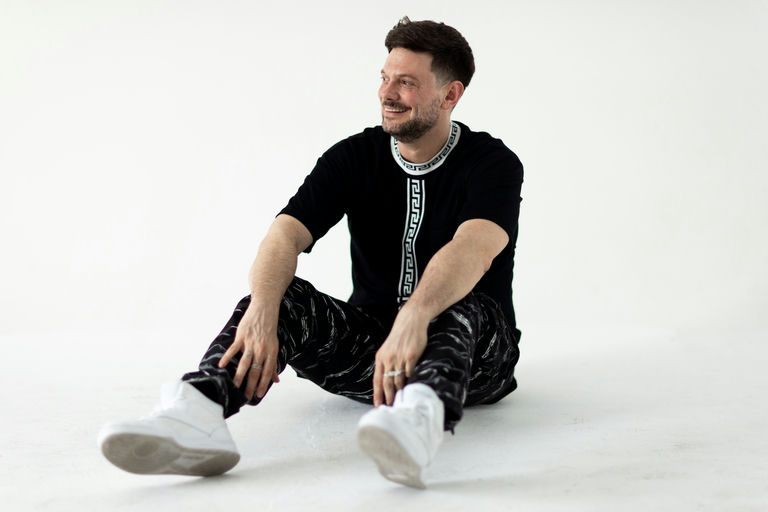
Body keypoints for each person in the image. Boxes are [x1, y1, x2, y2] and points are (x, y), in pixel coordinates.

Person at [98, 16, 523, 489]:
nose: (387, 93)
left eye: (406, 82)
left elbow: (473, 248)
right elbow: (284, 236)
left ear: (450, 95)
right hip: (376, 358)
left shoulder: (492, 164)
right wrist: (263, 308)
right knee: (281, 295)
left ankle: (417, 422)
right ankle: (197, 412)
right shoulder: (354, 157)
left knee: (461, 303)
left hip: (476, 360)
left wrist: (416, 314)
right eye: (385, 78)